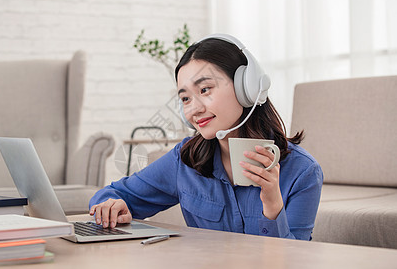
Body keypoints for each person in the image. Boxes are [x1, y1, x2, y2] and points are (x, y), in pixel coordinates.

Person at [89, 34, 323, 240]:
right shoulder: (185, 159)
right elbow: (115, 194)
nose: (193, 109)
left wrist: (272, 206)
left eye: (204, 90)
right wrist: (110, 206)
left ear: (246, 88)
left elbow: (293, 260)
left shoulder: (302, 172)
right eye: (185, 99)